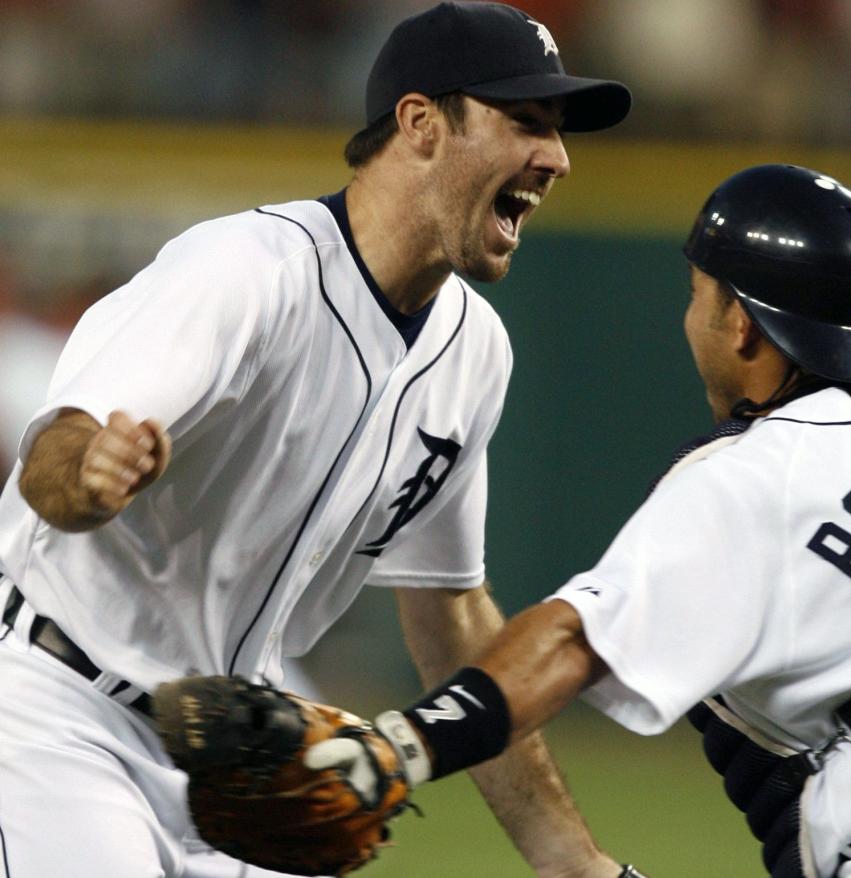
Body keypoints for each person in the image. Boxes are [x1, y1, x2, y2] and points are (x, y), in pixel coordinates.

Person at [0, 3, 635, 877]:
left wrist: (569, 858)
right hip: (55, 713)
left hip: (236, 758)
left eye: (559, 132)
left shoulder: (475, 351)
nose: (556, 157)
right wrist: (91, 473)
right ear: (419, 124)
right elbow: (52, 458)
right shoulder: (248, 272)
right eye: (525, 121)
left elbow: (448, 612)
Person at [305, 164, 851, 878]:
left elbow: (564, 646)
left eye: (697, 296)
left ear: (742, 324)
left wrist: (393, 750)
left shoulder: (755, 473)